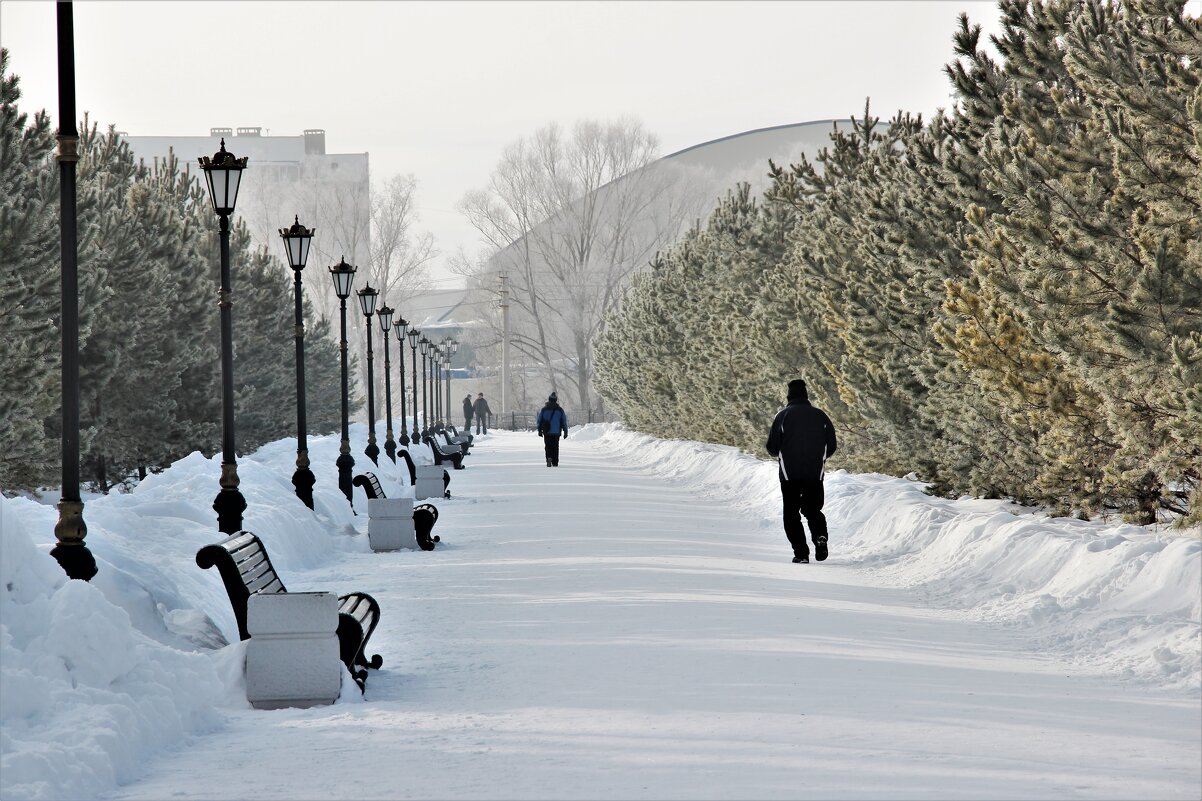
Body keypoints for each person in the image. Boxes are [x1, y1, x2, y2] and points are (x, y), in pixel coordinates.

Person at [765, 379, 837, 564]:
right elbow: (832, 445)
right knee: (812, 509)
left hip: (790, 474)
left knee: (791, 514)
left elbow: (773, 448)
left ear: (789, 396)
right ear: (806, 396)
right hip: (814, 473)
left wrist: (784, 454)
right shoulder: (821, 416)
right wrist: (819, 458)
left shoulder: (782, 416)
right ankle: (820, 536)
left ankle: (801, 553)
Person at [536, 391, 569, 466]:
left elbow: (539, 420)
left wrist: (539, 430)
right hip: (556, 432)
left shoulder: (544, 409)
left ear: (549, 399)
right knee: (555, 446)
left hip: (546, 431)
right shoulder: (560, 410)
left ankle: (548, 458)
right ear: (556, 400)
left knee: (547, 446)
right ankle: (555, 461)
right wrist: (565, 431)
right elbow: (564, 421)